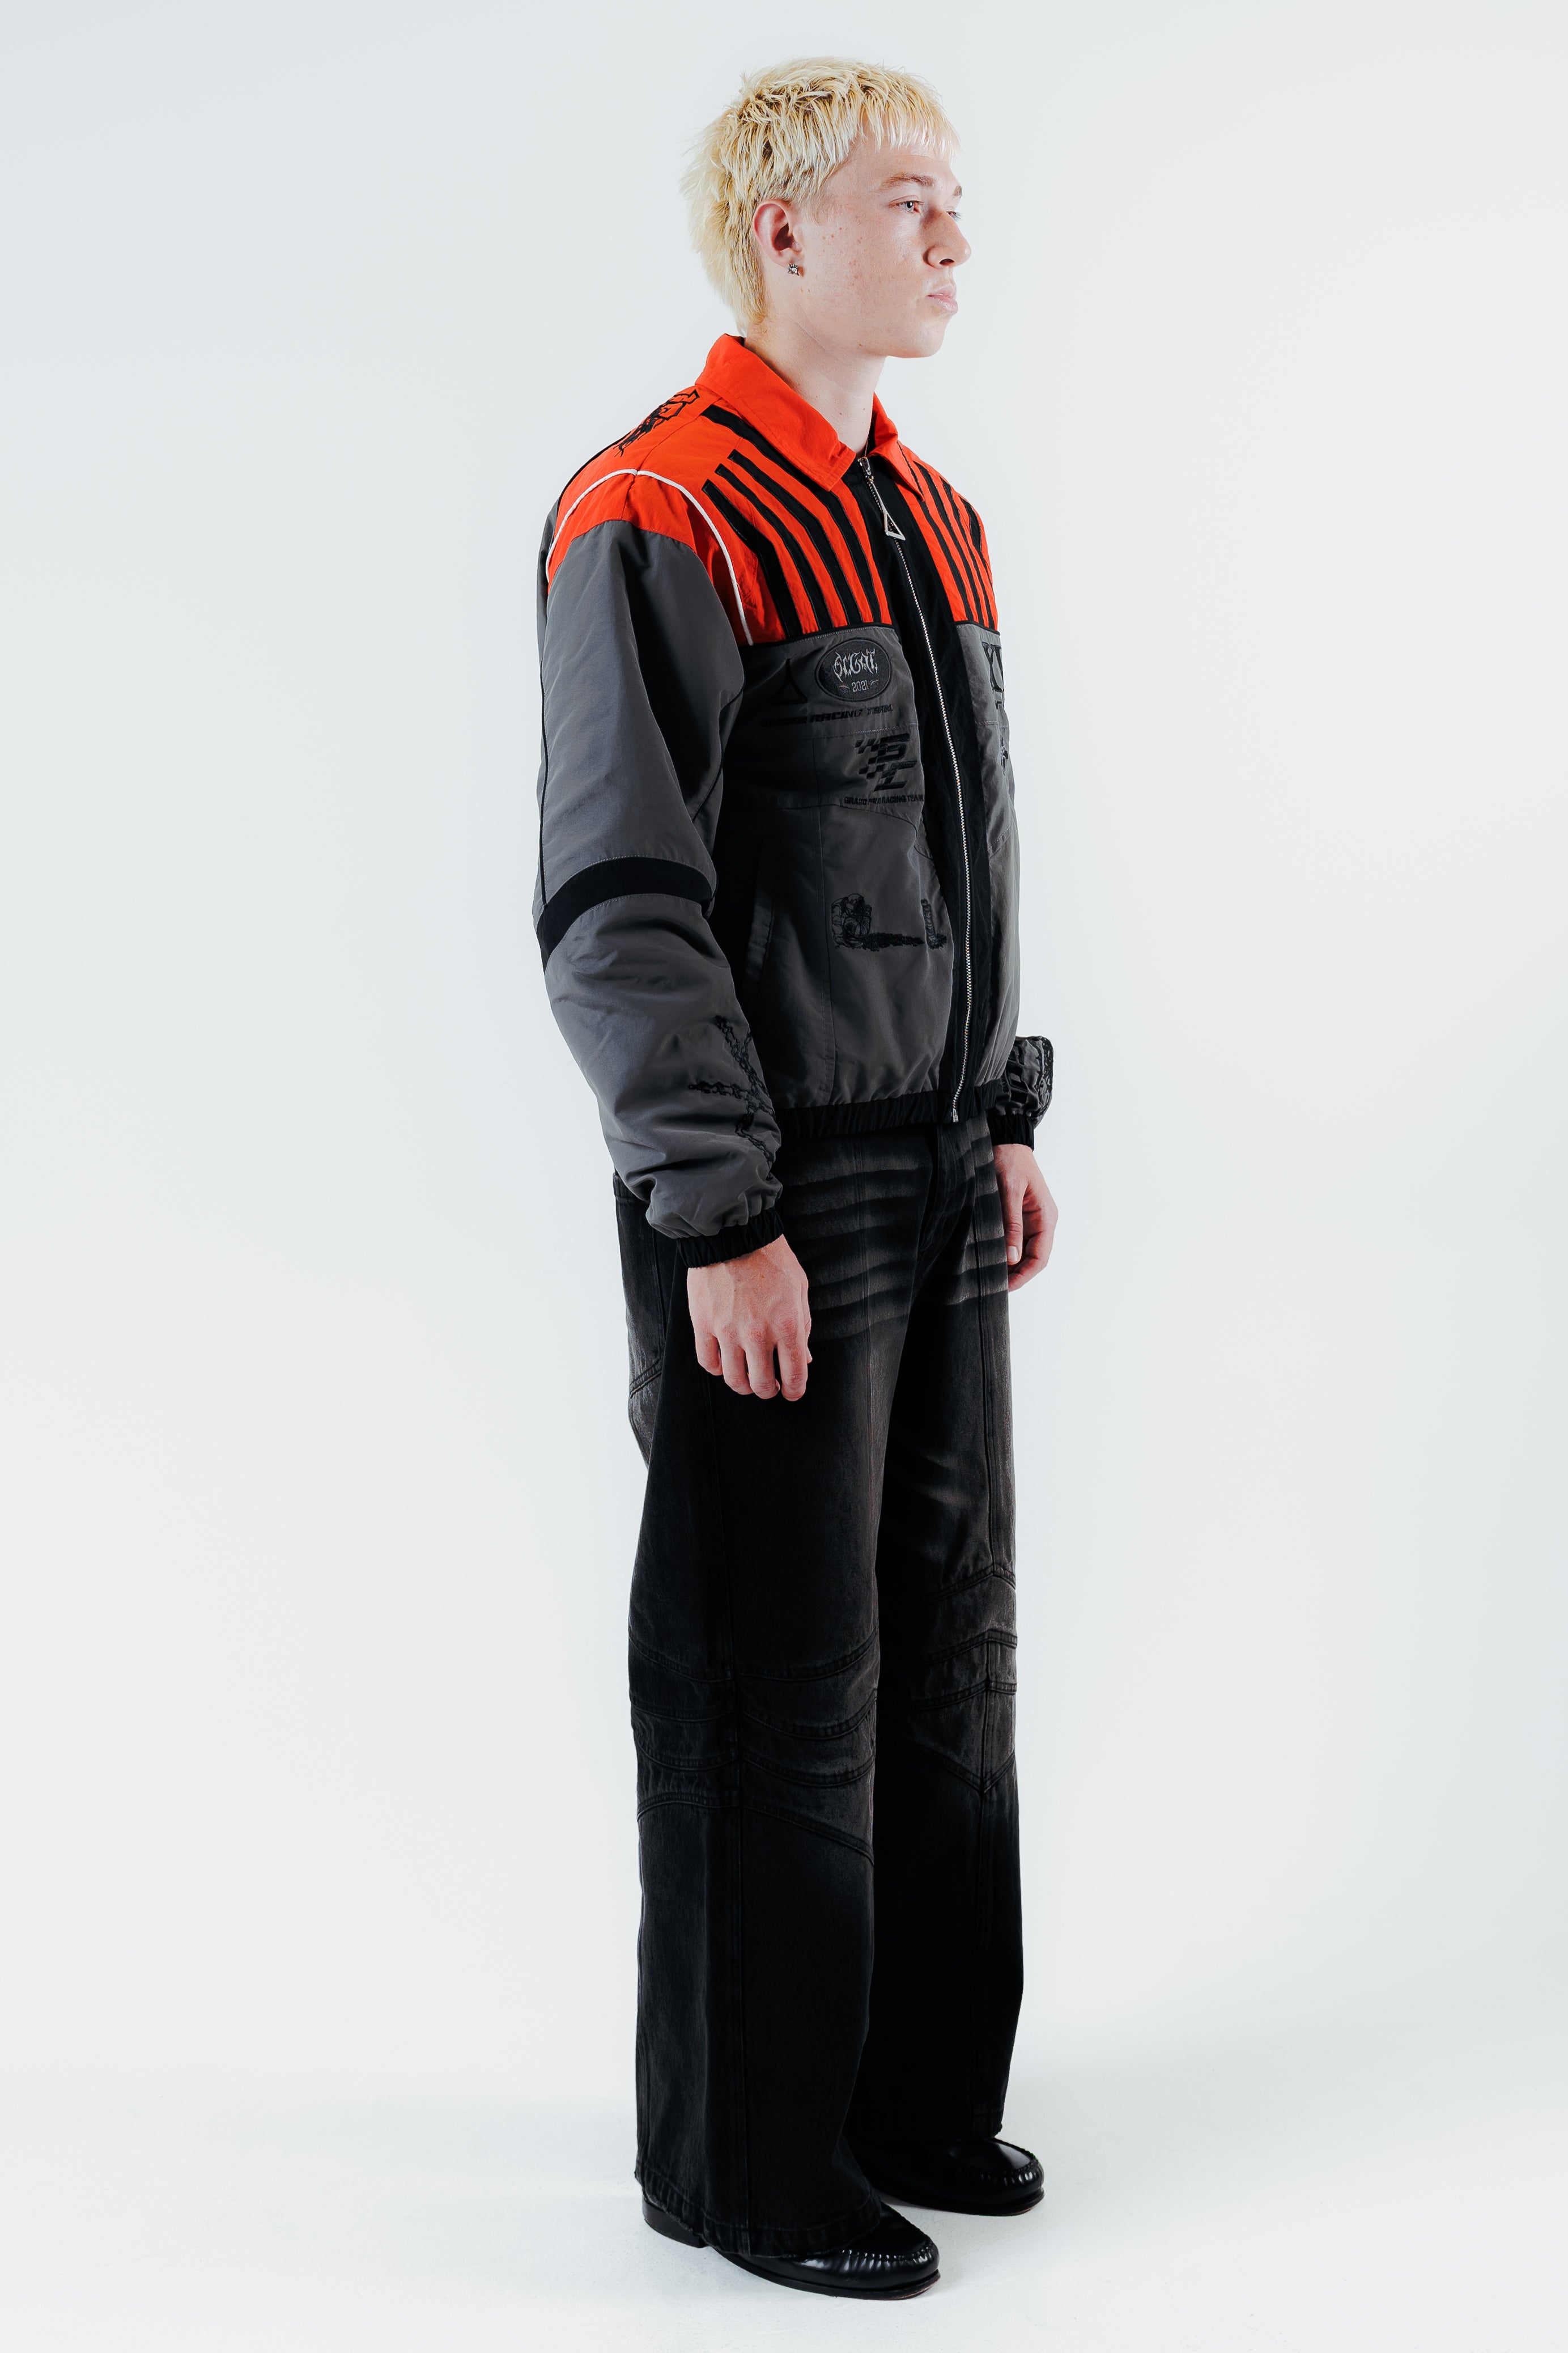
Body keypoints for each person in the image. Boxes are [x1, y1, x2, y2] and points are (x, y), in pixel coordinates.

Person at [534, 59, 1057, 2301]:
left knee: (946, 1652)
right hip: (777, 1188)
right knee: (775, 1671)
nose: (951, 238)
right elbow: (617, 901)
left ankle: (907, 2099)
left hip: (935, 1166)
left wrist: (1003, 1110)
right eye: (907, 200)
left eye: (954, 201)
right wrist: (717, 1210)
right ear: (781, 229)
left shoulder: (931, 518)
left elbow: (970, 857)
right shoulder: (656, 505)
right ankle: (748, 2165)